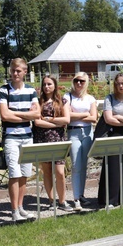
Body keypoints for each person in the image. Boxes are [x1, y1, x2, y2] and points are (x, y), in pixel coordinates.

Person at [0, 58, 41, 222]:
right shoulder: (4, 90)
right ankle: (14, 210)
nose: (15, 73)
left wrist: (14, 113)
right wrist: (25, 115)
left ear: (25, 72)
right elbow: (4, 115)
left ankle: (21, 206)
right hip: (11, 138)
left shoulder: (31, 91)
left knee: (25, 174)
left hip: (27, 137)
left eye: (19, 70)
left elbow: (37, 115)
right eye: (13, 70)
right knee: (14, 175)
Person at [98, 73, 123, 208]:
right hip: (112, 134)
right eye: (118, 83)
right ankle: (111, 200)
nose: (120, 86)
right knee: (113, 167)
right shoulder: (109, 98)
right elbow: (108, 119)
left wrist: (118, 117)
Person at [33, 76, 72, 212]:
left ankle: (62, 201)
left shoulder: (63, 101)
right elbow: (37, 122)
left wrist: (50, 119)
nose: (47, 87)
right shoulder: (38, 102)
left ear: (55, 85)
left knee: (60, 172)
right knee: (47, 171)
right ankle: (51, 201)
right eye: (44, 84)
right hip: (42, 139)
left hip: (59, 140)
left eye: (49, 84)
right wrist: (56, 122)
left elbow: (66, 120)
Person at [66, 72, 97, 211]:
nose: (79, 83)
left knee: (84, 165)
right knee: (76, 165)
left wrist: (76, 116)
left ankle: (81, 194)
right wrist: (85, 114)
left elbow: (94, 118)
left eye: (82, 81)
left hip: (87, 133)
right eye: (77, 80)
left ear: (86, 83)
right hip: (73, 132)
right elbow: (67, 116)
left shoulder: (90, 98)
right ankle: (76, 198)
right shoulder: (68, 97)